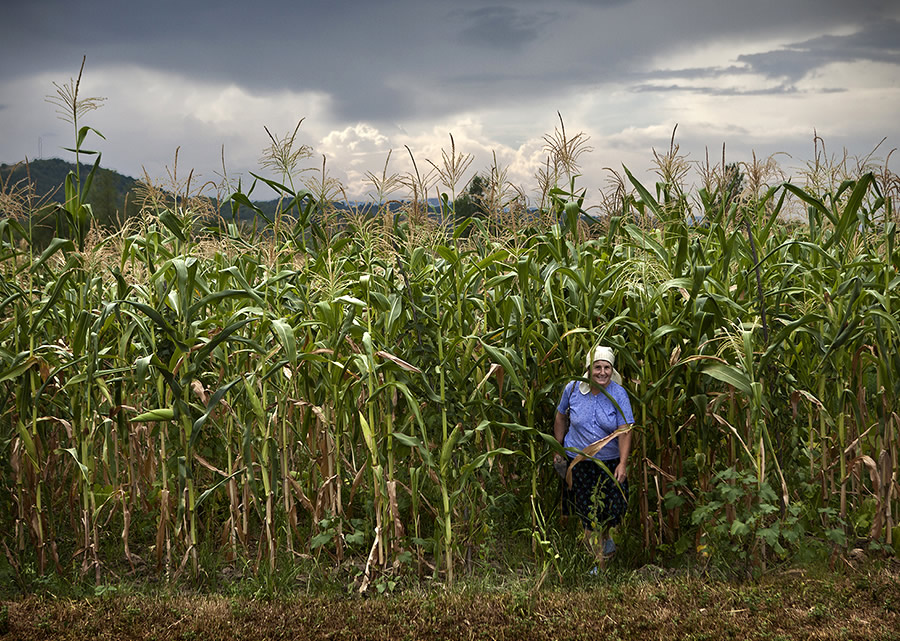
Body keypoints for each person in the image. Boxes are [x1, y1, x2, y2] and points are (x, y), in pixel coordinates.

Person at [553, 345, 633, 565]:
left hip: (609, 462)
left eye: (607, 367)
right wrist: (558, 448)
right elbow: (561, 416)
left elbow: (626, 430)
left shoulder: (618, 393)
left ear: (612, 369)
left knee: (612, 508)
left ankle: (605, 538)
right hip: (579, 462)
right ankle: (594, 562)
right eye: (597, 367)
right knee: (586, 510)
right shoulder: (572, 389)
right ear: (589, 369)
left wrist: (623, 464)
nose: (602, 372)